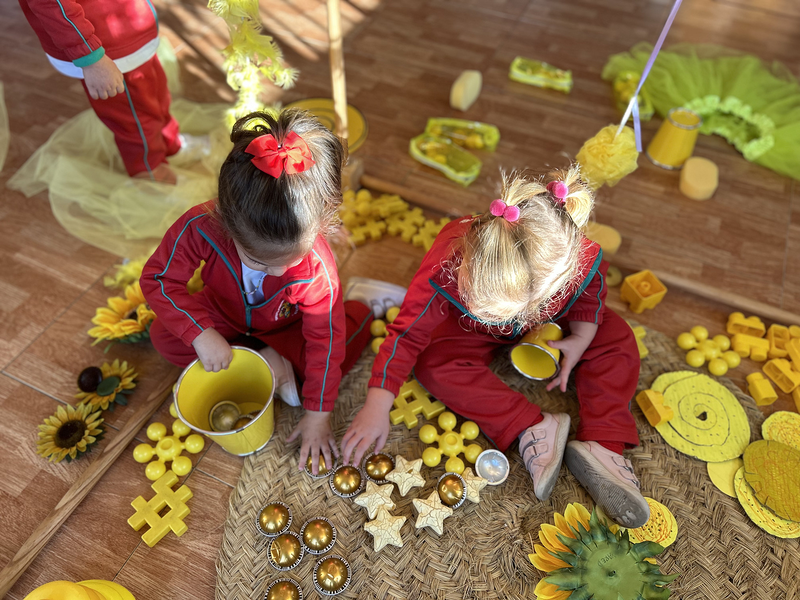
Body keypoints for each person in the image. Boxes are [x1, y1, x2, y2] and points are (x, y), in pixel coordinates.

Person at [341, 166, 649, 528]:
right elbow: (406, 334)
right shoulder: (445, 264)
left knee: (617, 338)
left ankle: (604, 443)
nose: (494, 318)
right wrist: (377, 403)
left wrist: (581, 336)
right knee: (432, 364)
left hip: (545, 326)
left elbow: (592, 283)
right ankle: (533, 426)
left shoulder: (566, 256)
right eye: (476, 300)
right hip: (470, 333)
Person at [141, 109, 374, 472]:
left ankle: (363, 305)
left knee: (335, 353)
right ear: (225, 223)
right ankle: (268, 362)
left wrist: (318, 415)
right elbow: (158, 279)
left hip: (289, 327)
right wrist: (200, 333)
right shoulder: (201, 226)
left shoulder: (318, 270)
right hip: (223, 315)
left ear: (323, 226)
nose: (278, 272)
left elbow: (325, 345)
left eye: (289, 261)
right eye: (261, 262)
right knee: (164, 337)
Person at [18, 0, 199, 183]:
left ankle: (171, 145)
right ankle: (151, 172)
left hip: (131, 28)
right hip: (106, 49)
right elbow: (52, 5)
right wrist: (90, 57)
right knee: (135, 120)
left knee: (157, 97)